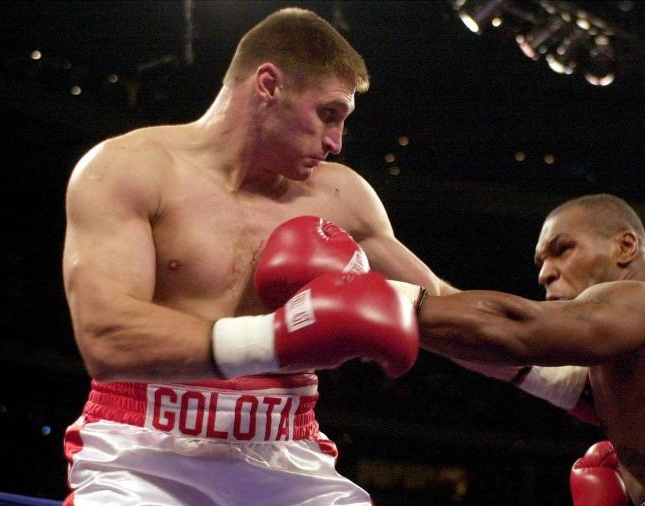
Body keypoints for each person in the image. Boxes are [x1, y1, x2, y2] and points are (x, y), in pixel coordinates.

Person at [62, 7, 451, 505]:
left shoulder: (341, 197)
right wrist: (282, 337)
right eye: (328, 114)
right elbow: (106, 339)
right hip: (144, 448)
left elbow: (437, 305)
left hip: (286, 452)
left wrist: (560, 376)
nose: (335, 142)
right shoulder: (131, 168)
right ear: (269, 85)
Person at [415, 193, 645, 505]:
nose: (544, 272)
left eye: (562, 249)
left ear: (625, 246)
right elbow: (510, 359)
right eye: (542, 260)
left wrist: (388, 303)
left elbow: (517, 331)